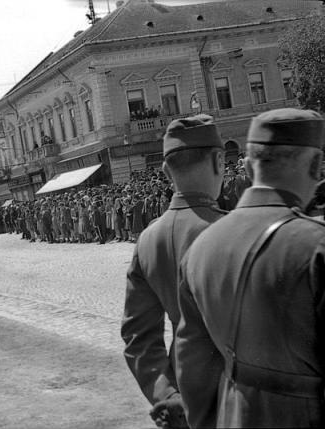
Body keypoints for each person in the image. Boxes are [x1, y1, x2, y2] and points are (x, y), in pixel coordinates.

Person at [175, 108, 325, 428]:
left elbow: (192, 367)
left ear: (246, 166)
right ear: (316, 165)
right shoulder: (315, 245)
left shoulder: (199, 249)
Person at [121, 114, 225, 429]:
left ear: (167, 171)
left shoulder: (149, 239)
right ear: (219, 161)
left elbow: (138, 336)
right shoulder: (229, 231)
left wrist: (165, 395)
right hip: (233, 393)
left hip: (180, 392)